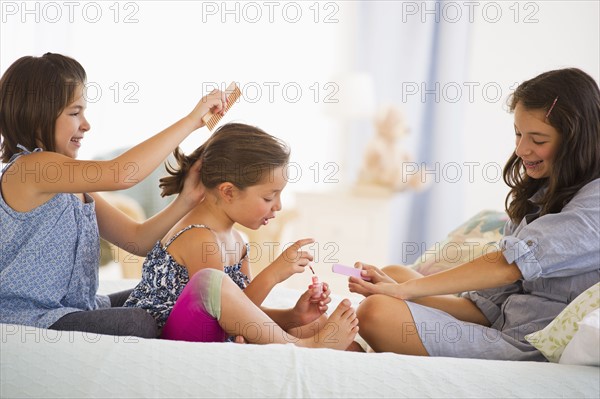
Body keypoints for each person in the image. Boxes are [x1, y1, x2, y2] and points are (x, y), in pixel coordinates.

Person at [348, 68, 600, 361]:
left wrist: (405, 291)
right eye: (518, 134)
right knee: (391, 274)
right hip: (498, 324)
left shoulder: (593, 206)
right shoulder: (543, 194)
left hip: (526, 345)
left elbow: (508, 266)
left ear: (575, 139)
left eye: (538, 140)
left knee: (376, 311)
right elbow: (485, 310)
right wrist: (399, 287)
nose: (521, 149)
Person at [0, 53, 229, 338]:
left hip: (77, 309)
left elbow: (138, 239)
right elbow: (122, 173)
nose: (86, 124)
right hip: (32, 318)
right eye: (75, 113)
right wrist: (192, 121)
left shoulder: (74, 187)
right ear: (35, 117)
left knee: (167, 291)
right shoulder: (31, 168)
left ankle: (227, 333)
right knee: (137, 322)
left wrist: (186, 200)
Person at [124, 123, 359, 349]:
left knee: (318, 324)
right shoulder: (199, 238)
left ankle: (309, 342)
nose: (278, 206)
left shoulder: (238, 240)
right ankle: (303, 348)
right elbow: (221, 309)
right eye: (269, 197)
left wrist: (294, 316)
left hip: (218, 328)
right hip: (173, 335)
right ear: (228, 191)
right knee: (214, 284)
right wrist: (272, 274)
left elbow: (244, 311)